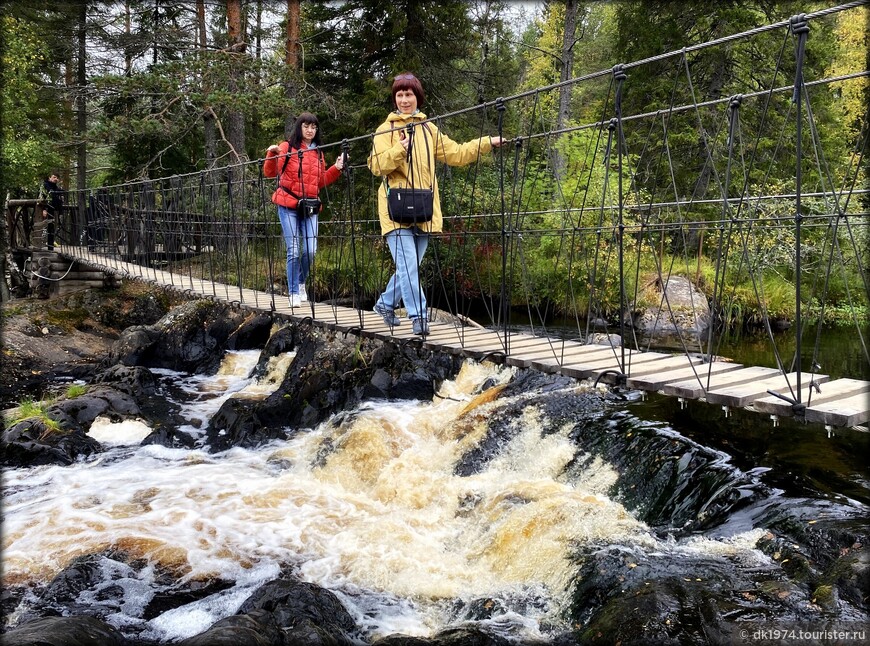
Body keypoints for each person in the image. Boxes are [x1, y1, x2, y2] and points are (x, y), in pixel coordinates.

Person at [367, 72, 504, 335]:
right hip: (394, 209)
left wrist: (487, 143)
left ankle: (385, 304)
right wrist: (399, 150)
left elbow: (457, 154)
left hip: (424, 209)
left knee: (410, 267)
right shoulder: (386, 130)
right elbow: (375, 165)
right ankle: (419, 316)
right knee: (408, 265)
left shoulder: (429, 129)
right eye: (400, 95)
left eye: (409, 94)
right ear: (395, 99)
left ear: (417, 97)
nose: (405, 100)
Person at [264, 112, 346, 307]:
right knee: (293, 249)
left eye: (313, 127)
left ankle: (301, 283)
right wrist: (271, 154)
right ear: (299, 127)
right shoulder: (287, 147)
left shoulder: (319, 152)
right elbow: (270, 173)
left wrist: (336, 167)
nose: (310, 130)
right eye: (306, 126)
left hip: (310, 206)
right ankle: (293, 292)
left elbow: (320, 182)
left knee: (310, 250)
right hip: (288, 204)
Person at [38, 173, 63, 250]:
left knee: (51, 227)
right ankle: (42, 245)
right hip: (47, 209)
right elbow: (42, 197)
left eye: (57, 178)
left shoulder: (54, 187)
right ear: (49, 178)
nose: (56, 179)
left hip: (53, 209)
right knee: (45, 227)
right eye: (54, 177)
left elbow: (58, 193)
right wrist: (44, 209)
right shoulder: (45, 185)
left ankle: (50, 246)